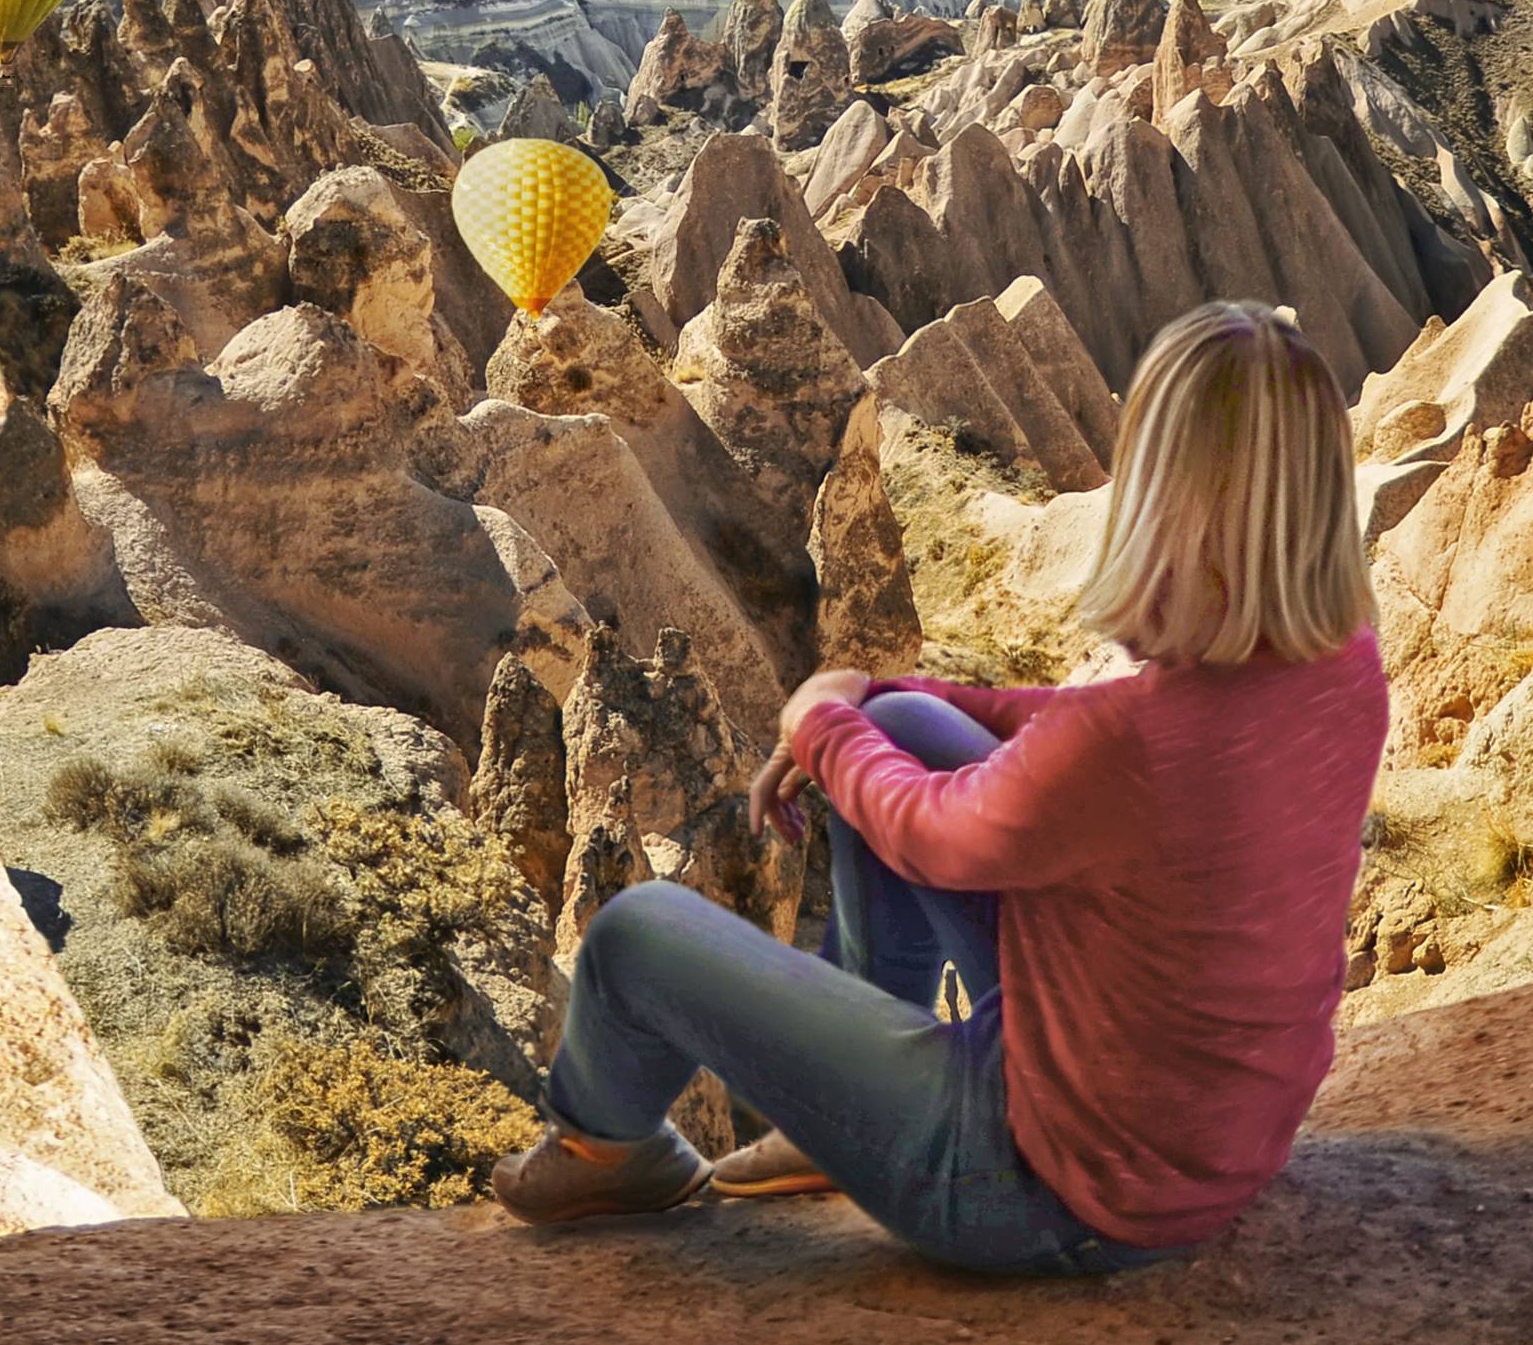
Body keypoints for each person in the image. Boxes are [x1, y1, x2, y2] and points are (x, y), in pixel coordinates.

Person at [491, 299, 1392, 1273]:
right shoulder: (1342, 672)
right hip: (1207, 1144)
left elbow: (930, 831)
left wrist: (821, 718)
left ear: (1160, 502)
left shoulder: (1125, 746)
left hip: (1033, 1187)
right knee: (903, 727)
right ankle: (828, 1122)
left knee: (635, 935)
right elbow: (1086, 735)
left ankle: (610, 1150)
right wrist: (881, 699)